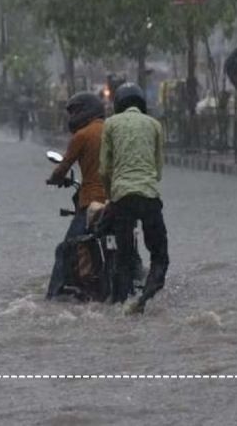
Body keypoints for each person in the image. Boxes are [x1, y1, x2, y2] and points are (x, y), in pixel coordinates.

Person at [100, 83, 168, 313]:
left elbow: (104, 170)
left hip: (121, 197)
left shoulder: (110, 124)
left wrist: (111, 197)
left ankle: (120, 305)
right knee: (159, 256)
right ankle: (144, 298)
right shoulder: (155, 125)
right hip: (149, 196)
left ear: (117, 104)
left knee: (123, 257)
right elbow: (158, 171)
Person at [45, 92, 107, 299]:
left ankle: (52, 297)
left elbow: (63, 167)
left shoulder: (82, 136)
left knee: (65, 249)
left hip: (91, 201)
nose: (72, 117)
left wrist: (54, 179)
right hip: (118, 199)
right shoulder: (113, 131)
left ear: (85, 111)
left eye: (75, 112)